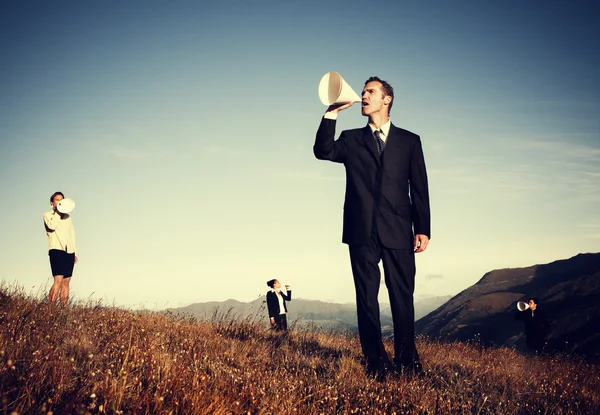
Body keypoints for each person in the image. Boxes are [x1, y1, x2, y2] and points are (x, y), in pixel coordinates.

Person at [313, 76, 431, 377]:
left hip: (399, 229)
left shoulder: (409, 141)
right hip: (360, 229)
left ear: (386, 99)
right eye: (363, 92)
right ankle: (376, 363)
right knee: (366, 299)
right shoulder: (351, 140)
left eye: (370, 92)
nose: (364, 96)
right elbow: (323, 151)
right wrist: (333, 112)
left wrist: (423, 228)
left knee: (402, 298)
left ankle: (408, 363)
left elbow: (419, 187)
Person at [43, 191, 77, 305]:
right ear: (52, 203)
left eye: (61, 199)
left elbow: (71, 235)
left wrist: (74, 252)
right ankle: (50, 310)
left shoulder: (67, 217)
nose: (60, 202)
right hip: (56, 249)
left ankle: (64, 311)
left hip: (69, 251)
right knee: (58, 280)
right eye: (57, 200)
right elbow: (52, 226)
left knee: (66, 281)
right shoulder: (48, 215)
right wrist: (58, 212)